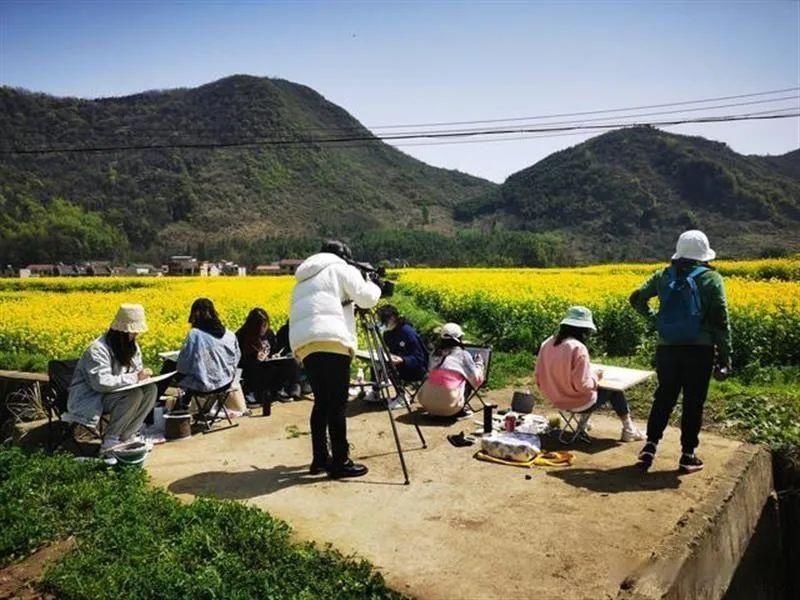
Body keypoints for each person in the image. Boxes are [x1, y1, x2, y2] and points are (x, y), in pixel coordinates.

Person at [629, 230, 732, 473]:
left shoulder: (664, 275)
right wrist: (726, 357)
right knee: (693, 402)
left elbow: (635, 298)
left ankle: (650, 446)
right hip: (700, 350)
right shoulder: (711, 279)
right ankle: (687, 455)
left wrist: (656, 321)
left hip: (667, 348)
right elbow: (721, 320)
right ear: (703, 254)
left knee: (664, 396)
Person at [289, 240, 382, 479]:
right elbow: (367, 298)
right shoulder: (339, 267)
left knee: (322, 402)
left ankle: (320, 459)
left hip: (305, 344)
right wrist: (373, 282)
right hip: (332, 340)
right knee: (338, 402)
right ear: (344, 256)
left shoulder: (304, 277)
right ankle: (340, 461)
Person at [534, 306, 645, 442]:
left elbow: (538, 377)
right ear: (584, 329)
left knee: (593, 390)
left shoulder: (547, 343)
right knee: (615, 390)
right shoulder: (578, 348)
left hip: (555, 400)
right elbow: (583, 386)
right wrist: (595, 377)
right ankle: (629, 430)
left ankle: (583, 424)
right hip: (579, 404)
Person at [64, 303, 157, 456]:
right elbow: (101, 383)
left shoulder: (131, 347)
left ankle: (127, 435)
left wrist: (143, 377)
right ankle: (110, 440)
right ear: (121, 332)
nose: (136, 336)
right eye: (132, 332)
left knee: (150, 389)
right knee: (133, 395)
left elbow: (136, 372)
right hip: (92, 398)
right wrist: (135, 377)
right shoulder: (97, 349)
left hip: (113, 395)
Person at [173, 298, 240, 406]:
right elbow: (237, 358)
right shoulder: (229, 334)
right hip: (227, 383)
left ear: (195, 314)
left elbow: (183, 366)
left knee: (170, 368)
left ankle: (174, 408)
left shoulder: (195, 334)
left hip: (206, 386)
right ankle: (188, 404)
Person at [415, 323, 484, 418]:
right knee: (468, 378)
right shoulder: (462, 355)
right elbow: (476, 380)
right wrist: (479, 364)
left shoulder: (434, 354)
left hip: (427, 405)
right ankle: (459, 411)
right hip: (450, 408)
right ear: (459, 338)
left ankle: (438, 405)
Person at [236, 308, 299, 406]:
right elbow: (240, 358)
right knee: (255, 366)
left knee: (289, 362)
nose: (263, 329)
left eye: (265, 325)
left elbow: (274, 349)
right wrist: (255, 357)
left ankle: (280, 389)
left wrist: (275, 355)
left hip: (268, 363)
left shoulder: (269, 333)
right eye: (261, 326)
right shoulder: (242, 335)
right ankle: (252, 393)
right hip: (250, 367)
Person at [376, 304, 429, 384]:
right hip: (397, 368)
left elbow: (420, 358)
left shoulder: (407, 332)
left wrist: (403, 360)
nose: (381, 323)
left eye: (382, 320)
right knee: (376, 367)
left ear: (392, 318)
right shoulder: (387, 334)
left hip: (414, 370)